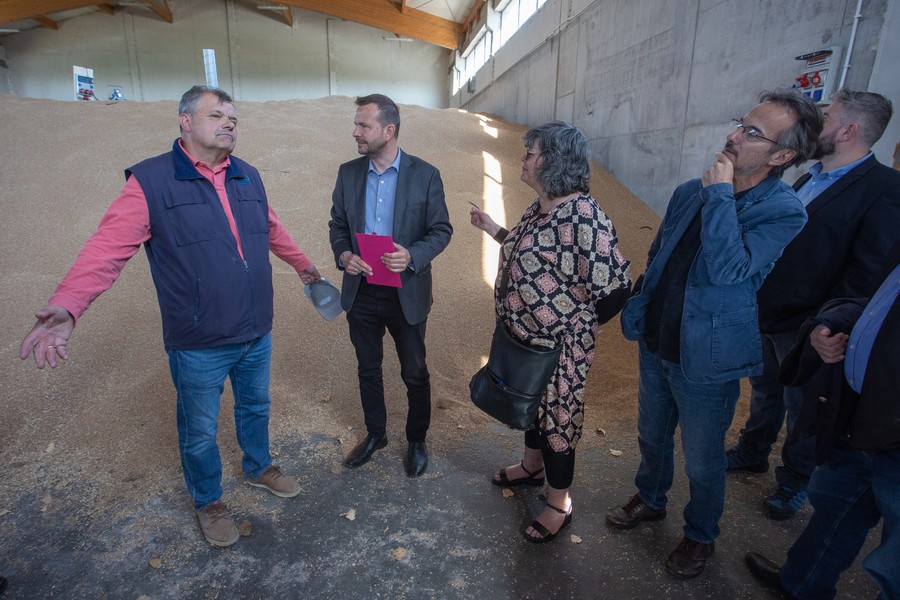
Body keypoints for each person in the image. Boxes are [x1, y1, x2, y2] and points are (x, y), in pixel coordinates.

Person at [19, 85, 321, 548]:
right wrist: (69, 303)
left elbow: (270, 227)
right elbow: (106, 248)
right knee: (199, 429)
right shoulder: (151, 181)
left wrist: (302, 264)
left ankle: (259, 467)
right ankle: (208, 500)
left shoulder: (247, 175)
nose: (228, 123)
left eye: (233, 118)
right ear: (185, 121)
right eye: (216, 115)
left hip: (255, 328)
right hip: (198, 340)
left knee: (256, 407)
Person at [605, 89, 822, 578]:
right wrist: (641, 306)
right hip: (658, 339)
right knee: (652, 434)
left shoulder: (784, 210)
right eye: (739, 123)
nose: (733, 136)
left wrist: (721, 194)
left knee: (703, 458)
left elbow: (730, 270)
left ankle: (701, 534)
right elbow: (660, 253)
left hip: (707, 356)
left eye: (752, 133)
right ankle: (651, 498)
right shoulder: (690, 190)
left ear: (781, 156)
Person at [727, 89, 900, 520]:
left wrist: (829, 323)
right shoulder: (809, 178)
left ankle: (794, 481)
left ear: (849, 131)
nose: (813, 127)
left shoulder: (884, 188)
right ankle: (753, 450)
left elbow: (868, 271)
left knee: (803, 406)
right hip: (769, 311)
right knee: (765, 390)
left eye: (826, 119)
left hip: (809, 326)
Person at [470, 121, 632, 543]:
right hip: (524, 339)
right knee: (529, 406)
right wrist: (493, 229)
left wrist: (586, 324)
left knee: (556, 421)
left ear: (554, 162)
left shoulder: (584, 216)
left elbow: (617, 286)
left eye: (531, 153)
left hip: (559, 349)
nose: (523, 159)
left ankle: (559, 503)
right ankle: (531, 466)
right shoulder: (541, 206)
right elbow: (531, 251)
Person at [745, 241, 900, 599]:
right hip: (862, 417)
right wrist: (829, 321)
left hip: (892, 437)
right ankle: (801, 584)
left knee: (894, 565)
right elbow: (877, 307)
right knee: (834, 510)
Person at [328, 94, 452, 477]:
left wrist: (412, 255)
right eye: (356, 124)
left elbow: (441, 230)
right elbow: (337, 225)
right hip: (361, 290)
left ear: (388, 130)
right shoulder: (348, 173)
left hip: (406, 292)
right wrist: (344, 255)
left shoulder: (425, 175)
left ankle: (416, 440)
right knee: (368, 368)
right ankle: (376, 434)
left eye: (363, 125)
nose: (355, 132)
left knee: (414, 371)